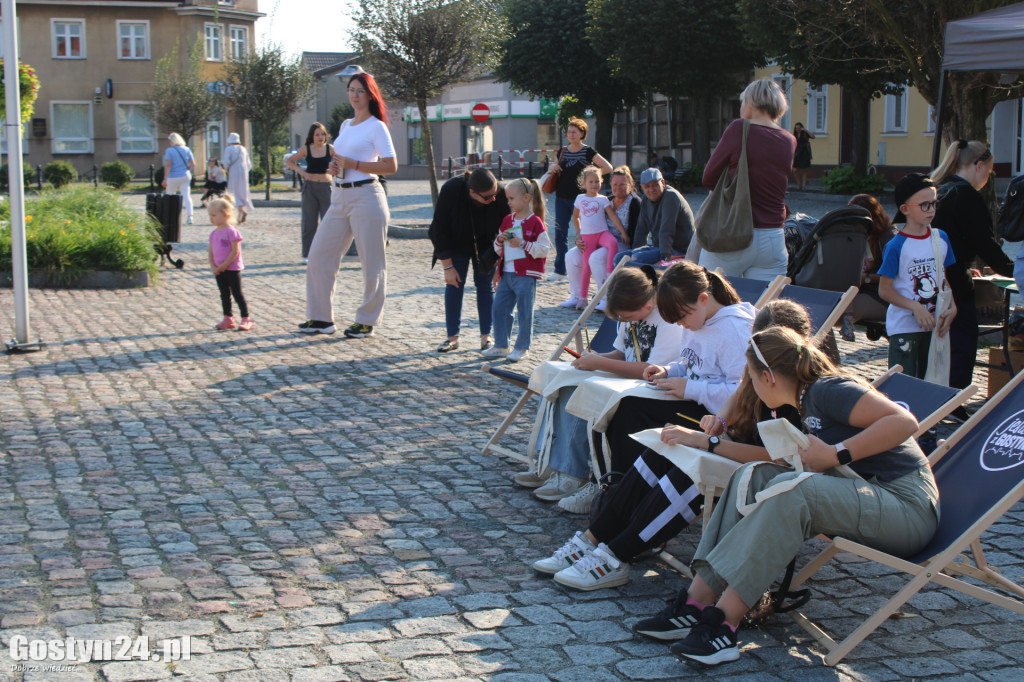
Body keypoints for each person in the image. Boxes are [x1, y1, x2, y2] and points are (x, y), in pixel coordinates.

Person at [639, 325, 937, 666]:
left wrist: (838, 453)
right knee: (751, 477)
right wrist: (711, 441)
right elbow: (775, 462)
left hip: (906, 507)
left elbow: (904, 421)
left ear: (767, 377)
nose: (748, 388)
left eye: (750, 378)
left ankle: (724, 622)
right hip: (863, 494)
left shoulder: (827, 390)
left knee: (795, 493)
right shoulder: (796, 401)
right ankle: (696, 602)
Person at [533, 300, 809, 592]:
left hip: (768, 472)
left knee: (689, 473)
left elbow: (782, 460)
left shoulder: (799, 393)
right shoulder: (769, 365)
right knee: (663, 451)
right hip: (737, 448)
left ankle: (615, 555)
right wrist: (721, 422)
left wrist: (710, 442)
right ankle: (592, 539)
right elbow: (742, 389)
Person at [516, 266, 685, 508]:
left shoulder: (667, 320)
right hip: (633, 380)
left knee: (582, 389)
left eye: (625, 317)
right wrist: (594, 358)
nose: (623, 322)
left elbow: (652, 369)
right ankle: (552, 463)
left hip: (653, 386)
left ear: (647, 307)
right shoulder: (632, 314)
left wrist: (599, 363)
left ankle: (571, 474)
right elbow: (620, 353)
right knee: (562, 381)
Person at [601, 262, 755, 474]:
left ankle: (622, 484)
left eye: (681, 318)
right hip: (697, 402)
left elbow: (744, 394)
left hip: (718, 421)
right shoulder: (698, 319)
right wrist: (668, 370)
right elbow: (691, 363)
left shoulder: (734, 331)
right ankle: (615, 482)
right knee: (623, 404)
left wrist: (690, 388)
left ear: (703, 299)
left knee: (630, 412)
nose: (681, 325)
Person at [298, 68, 397, 338]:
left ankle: (367, 320)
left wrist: (354, 165)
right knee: (318, 255)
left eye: (360, 90)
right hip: (339, 195)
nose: (354, 95)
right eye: (351, 90)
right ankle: (321, 319)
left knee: (372, 263)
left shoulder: (377, 126)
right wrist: (336, 166)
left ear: (370, 94)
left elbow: (391, 165)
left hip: (367, 196)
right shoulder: (345, 125)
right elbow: (342, 161)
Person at [930, 140, 1014, 389]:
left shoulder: (940, 188)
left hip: (930, 274)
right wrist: (1013, 270)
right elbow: (985, 243)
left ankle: (938, 394)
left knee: (942, 340)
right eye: (989, 171)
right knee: (962, 340)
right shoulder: (965, 194)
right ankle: (954, 398)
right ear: (978, 165)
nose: (989, 176)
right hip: (953, 279)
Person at [698, 79, 795, 278]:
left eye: (742, 102)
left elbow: (708, 177)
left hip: (733, 232)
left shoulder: (739, 129)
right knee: (764, 306)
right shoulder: (789, 140)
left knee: (712, 300)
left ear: (750, 103)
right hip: (773, 238)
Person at [878, 174, 957, 379]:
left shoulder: (941, 238)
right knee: (904, 382)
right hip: (905, 327)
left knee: (930, 380)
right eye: (924, 205)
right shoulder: (896, 245)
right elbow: (884, 290)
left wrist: (952, 306)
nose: (931, 210)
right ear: (905, 209)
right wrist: (915, 306)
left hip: (935, 325)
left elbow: (943, 279)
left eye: (934, 204)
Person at [429, 168, 510, 353]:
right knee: (454, 284)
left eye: (495, 193)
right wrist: (447, 266)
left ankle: (486, 337)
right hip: (455, 243)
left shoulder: (499, 194)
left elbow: (509, 227)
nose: (494, 199)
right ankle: (452, 338)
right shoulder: (452, 189)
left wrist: (501, 263)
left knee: (485, 287)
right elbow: (438, 228)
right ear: (472, 192)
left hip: (486, 245)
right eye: (488, 197)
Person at [481, 178, 551, 362]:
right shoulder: (507, 220)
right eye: (508, 199)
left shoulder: (535, 222)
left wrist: (522, 243)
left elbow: (544, 249)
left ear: (526, 198)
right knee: (499, 308)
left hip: (526, 275)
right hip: (507, 273)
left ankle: (522, 347)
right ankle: (502, 345)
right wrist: (500, 240)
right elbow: (498, 249)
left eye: (512, 198)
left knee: (524, 310)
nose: (509, 202)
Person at [562, 166, 641, 310]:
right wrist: (579, 239)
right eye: (615, 184)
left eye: (622, 184)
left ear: (630, 184)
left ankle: (605, 297)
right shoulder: (607, 200)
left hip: (620, 243)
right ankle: (577, 296)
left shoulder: (634, 202)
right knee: (570, 256)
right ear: (610, 184)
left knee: (596, 258)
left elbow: (637, 231)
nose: (618, 188)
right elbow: (586, 221)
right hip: (595, 239)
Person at [548, 117, 612, 280]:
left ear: (582, 133)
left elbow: (608, 167)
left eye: (574, 132)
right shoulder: (562, 151)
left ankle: (586, 265)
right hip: (561, 197)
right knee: (560, 232)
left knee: (584, 233)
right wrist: (553, 167)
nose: (571, 135)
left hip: (582, 199)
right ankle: (560, 270)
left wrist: (592, 176)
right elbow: (553, 168)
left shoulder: (588, 151)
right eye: (569, 132)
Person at [839, 194, 898, 341]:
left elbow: (895, 276)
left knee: (838, 308)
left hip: (881, 295)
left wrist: (866, 278)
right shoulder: (859, 235)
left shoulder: (888, 238)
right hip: (862, 290)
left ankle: (848, 327)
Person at [573, 166, 628, 308]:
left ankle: (609, 273)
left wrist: (623, 232)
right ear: (584, 183)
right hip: (587, 237)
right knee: (586, 267)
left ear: (601, 182)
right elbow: (575, 217)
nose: (594, 185)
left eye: (597, 181)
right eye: (591, 182)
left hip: (602, 233)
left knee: (613, 243)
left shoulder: (603, 199)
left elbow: (613, 216)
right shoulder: (580, 198)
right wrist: (579, 235)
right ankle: (582, 298)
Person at [614, 168, 694, 266]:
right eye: (647, 187)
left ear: (663, 182)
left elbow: (667, 229)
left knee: (635, 260)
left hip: (678, 249)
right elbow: (641, 230)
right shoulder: (646, 200)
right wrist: (635, 250)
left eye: (655, 185)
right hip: (658, 248)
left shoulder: (671, 197)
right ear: (642, 187)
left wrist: (665, 259)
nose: (651, 190)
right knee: (619, 258)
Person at [287, 122, 335, 263]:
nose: (320, 137)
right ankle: (307, 254)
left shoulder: (330, 149)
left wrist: (334, 170)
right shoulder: (306, 149)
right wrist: (301, 171)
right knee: (309, 222)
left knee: (328, 221)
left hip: (326, 187)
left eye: (322, 134)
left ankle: (328, 253)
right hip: (310, 188)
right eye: (317, 134)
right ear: (312, 136)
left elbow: (341, 162)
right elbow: (290, 161)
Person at [207, 195, 253, 332]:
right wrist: (213, 266)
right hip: (219, 270)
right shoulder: (213, 233)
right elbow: (210, 252)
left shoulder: (231, 232)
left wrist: (223, 266)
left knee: (237, 293)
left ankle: (246, 318)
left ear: (225, 215)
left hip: (232, 269)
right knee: (224, 294)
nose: (211, 218)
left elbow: (235, 252)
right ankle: (228, 317)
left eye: (214, 215)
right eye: (210, 215)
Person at [162, 133, 195, 226]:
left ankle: (169, 216)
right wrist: (187, 170)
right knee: (187, 196)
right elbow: (193, 163)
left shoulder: (169, 151)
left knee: (170, 195)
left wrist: (165, 178)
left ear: (172, 141)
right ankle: (190, 216)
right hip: (185, 175)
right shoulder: (187, 149)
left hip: (172, 176)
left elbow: (168, 165)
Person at [223, 133, 255, 224]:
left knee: (233, 192)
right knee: (242, 192)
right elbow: (249, 164)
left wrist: (227, 169)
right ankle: (241, 214)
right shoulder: (243, 149)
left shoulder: (228, 149)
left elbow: (226, 162)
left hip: (233, 172)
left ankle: (240, 213)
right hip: (244, 173)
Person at [792, 122, 815, 190]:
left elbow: (813, 137)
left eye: (799, 128)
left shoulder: (805, 134)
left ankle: (804, 186)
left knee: (804, 170)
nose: (798, 129)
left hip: (805, 153)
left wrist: (806, 130)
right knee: (795, 170)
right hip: (797, 154)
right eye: (796, 128)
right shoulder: (794, 135)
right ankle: (799, 185)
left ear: (801, 128)